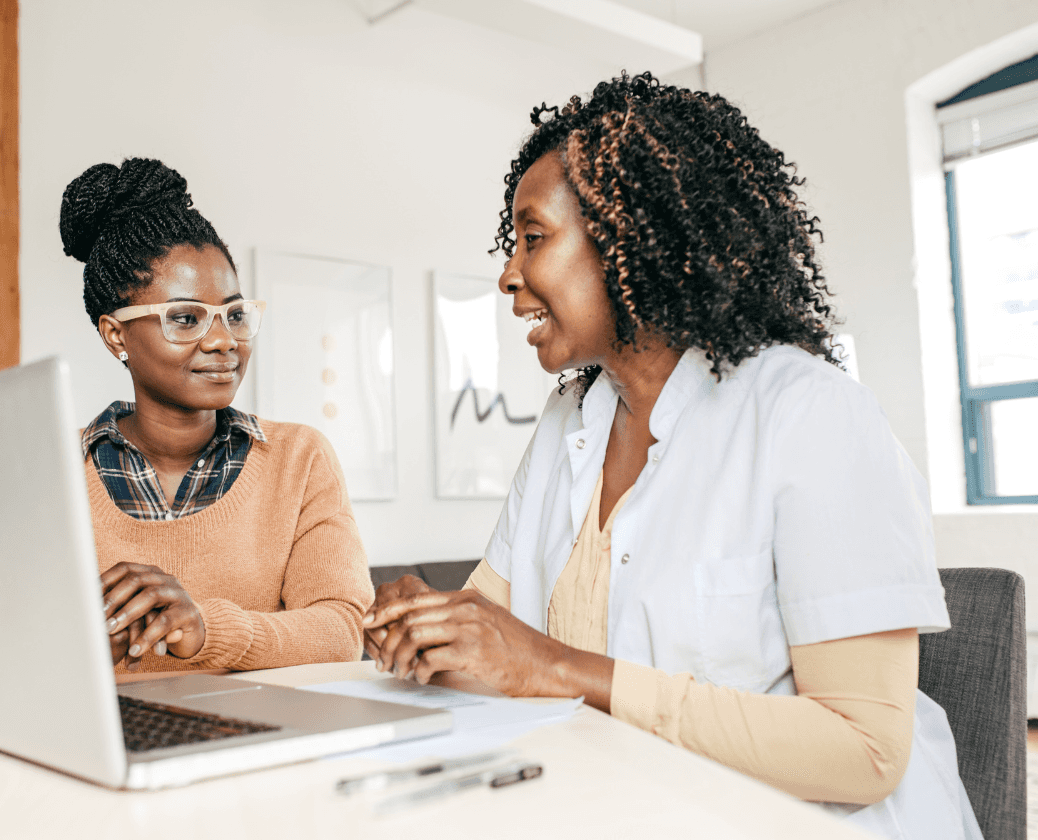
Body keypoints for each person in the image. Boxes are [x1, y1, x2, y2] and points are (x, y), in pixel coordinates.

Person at [363, 74, 981, 839]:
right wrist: (427, 626)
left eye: (533, 238)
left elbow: (865, 750)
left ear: (629, 234)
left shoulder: (808, 413)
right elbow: (497, 647)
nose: (508, 276)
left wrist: (554, 667)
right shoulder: (570, 422)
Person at [60, 157, 373, 675]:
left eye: (234, 314)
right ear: (115, 335)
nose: (225, 340)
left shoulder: (298, 459)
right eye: (185, 318)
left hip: (258, 741)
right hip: (99, 743)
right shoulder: (54, 469)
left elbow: (343, 630)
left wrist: (204, 628)